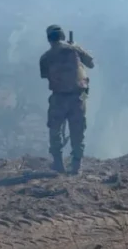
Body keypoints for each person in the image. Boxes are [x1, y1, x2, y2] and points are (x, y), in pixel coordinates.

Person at [39, 24, 94, 174]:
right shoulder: (74, 49)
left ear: (49, 39)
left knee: (55, 130)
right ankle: (76, 165)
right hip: (78, 97)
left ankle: (58, 163)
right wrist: (76, 47)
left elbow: (45, 75)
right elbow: (91, 63)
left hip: (58, 98)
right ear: (62, 36)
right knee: (78, 130)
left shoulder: (45, 57)